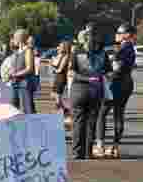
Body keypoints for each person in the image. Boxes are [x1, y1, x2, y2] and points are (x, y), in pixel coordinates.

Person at [68, 25, 111, 160]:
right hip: (95, 90)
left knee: (77, 122)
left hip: (79, 90)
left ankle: (76, 153)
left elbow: (71, 72)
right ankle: (87, 152)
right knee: (91, 122)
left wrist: (84, 77)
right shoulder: (103, 53)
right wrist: (98, 76)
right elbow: (108, 72)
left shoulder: (76, 51)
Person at [94, 24, 136, 159]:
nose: (116, 34)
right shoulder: (131, 49)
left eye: (119, 32)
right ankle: (115, 147)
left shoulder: (122, 49)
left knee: (102, 113)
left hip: (115, 84)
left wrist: (106, 75)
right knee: (119, 114)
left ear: (127, 34)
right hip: (127, 83)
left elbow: (116, 68)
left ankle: (100, 146)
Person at [8, 29, 36, 114]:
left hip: (24, 84)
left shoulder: (28, 50)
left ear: (19, 38)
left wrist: (15, 74)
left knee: (27, 109)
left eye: (14, 38)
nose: (13, 40)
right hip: (15, 83)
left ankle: (31, 126)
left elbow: (29, 68)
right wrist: (11, 73)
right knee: (13, 109)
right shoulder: (17, 51)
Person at [51, 40, 72, 117]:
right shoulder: (61, 55)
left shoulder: (66, 56)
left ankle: (63, 111)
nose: (58, 48)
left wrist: (54, 68)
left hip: (61, 77)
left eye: (61, 46)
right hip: (58, 76)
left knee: (57, 96)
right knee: (54, 95)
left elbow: (60, 68)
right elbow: (55, 64)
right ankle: (64, 110)